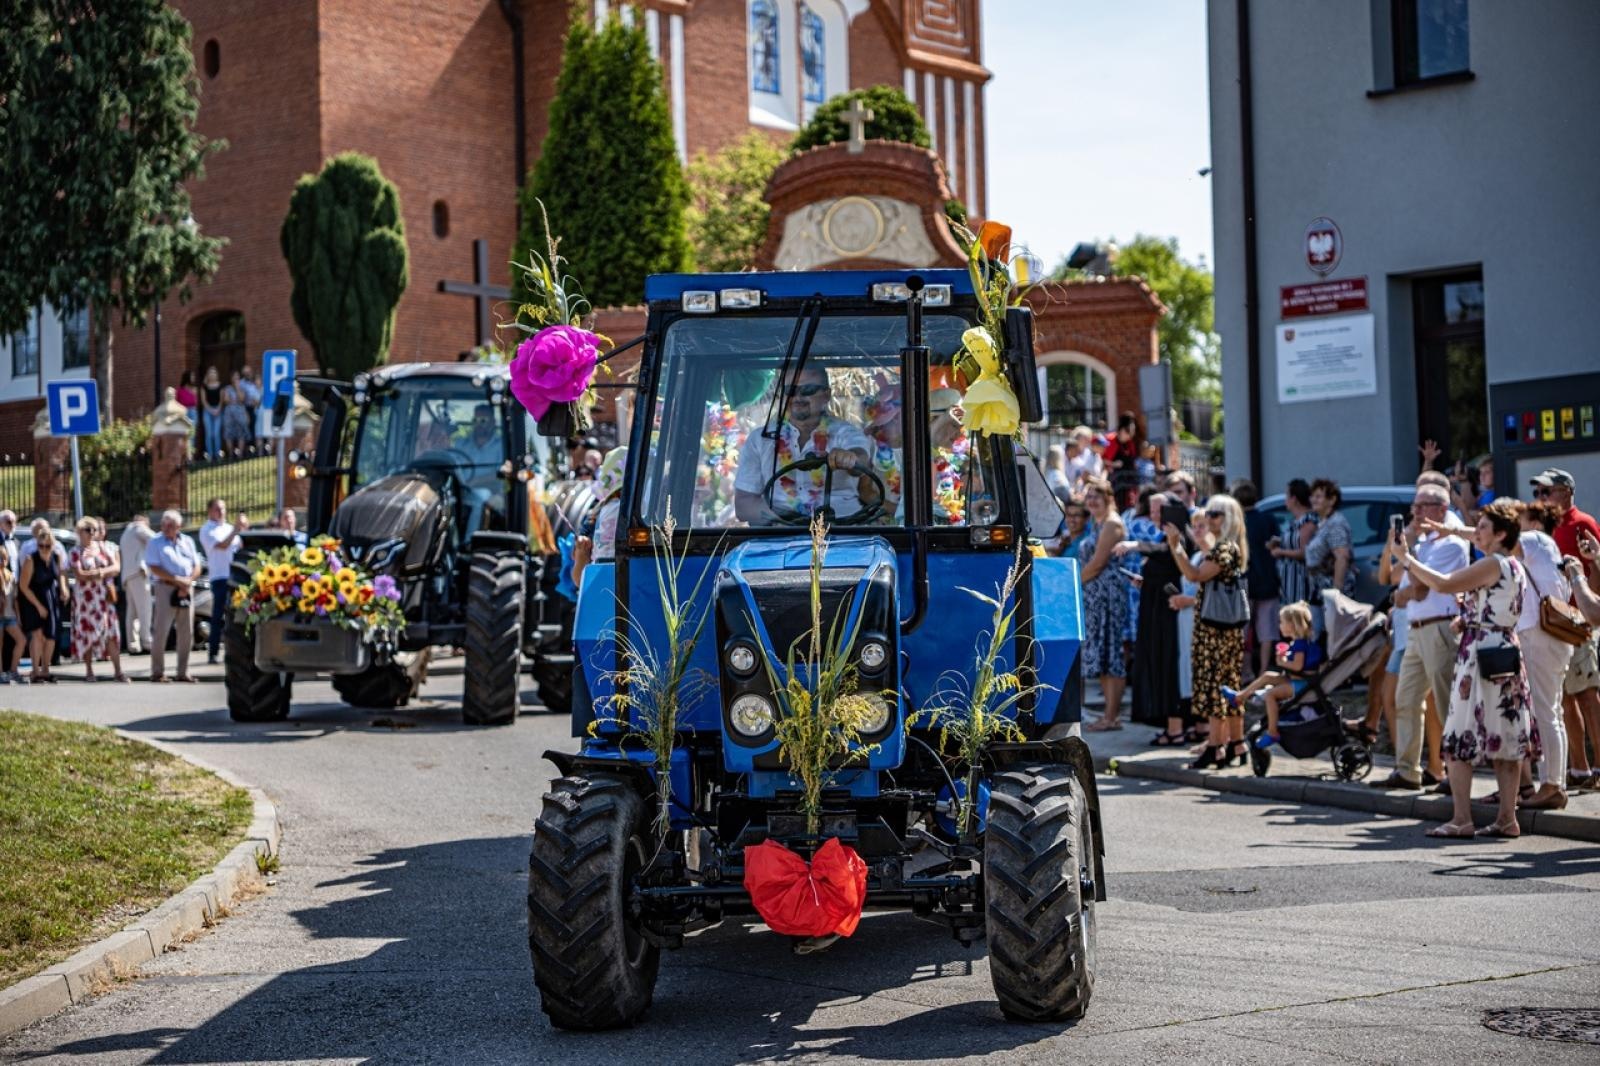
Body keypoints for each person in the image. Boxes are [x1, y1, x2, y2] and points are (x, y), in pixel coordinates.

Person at [1398, 500, 1536, 839]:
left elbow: (1444, 584)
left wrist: (1407, 560)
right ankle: (1507, 818)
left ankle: (1461, 819)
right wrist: (1469, 619)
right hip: (1504, 650)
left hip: (1480, 654)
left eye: (1484, 528)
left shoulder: (1491, 563)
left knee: (1460, 735)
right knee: (1504, 735)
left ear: (1501, 534)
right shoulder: (1512, 564)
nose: (1477, 532)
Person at [1372, 483, 1471, 791]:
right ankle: (1407, 771)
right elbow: (1395, 579)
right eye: (1414, 506)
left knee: (1446, 705)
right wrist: (1404, 550)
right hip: (1417, 630)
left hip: (1439, 628)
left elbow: (1420, 587)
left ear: (1441, 510)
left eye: (1421, 506)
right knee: (1406, 700)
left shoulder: (1452, 545)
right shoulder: (1426, 542)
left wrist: (1408, 572)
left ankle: (1454, 774)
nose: (1414, 512)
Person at [1167, 494, 1250, 769]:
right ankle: (1237, 743)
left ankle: (1216, 746)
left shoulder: (1224, 549)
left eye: (1215, 514)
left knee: (1217, 686)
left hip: (1216, 629)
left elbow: (1195, 575)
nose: (1209, 518)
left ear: (1228, 519)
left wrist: (1176, 547)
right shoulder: (1229, 547)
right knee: (1229, 685)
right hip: (1224, 628)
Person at [734, 365, 874, 526]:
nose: (798, 397)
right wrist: (787, 519)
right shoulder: (760, 439)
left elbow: (860, 460)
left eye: (808, 389)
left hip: (841, 534)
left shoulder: (846, 432)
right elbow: (743, 506)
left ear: (826, 395)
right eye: (790, 391)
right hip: (777, 538)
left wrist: (849, 459)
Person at [1532, 469, 1600, 790]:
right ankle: (1580, 768)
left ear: (1566, 492)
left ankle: (1599, 768)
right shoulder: (1546, 527)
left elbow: (1597, 569)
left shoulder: (1582, 523)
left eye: (1547, 491)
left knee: (1587, 696)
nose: (1541, 498)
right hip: (1553, 622)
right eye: (1540, 492)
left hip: (1577, 621)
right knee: (1564, 701)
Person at [1513, 502, 1573, 810]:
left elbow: (1498, 542)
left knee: (1545, 713)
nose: (1514, 525)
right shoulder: (1546, 548)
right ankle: (1552, 783)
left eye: (1518, 520)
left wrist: (1453, 529)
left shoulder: (1535, 540)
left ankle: (1552, 785)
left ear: (1534, 522)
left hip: (1540, 637)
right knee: (1552, 713)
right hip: (1552, 638)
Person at [1116, 492, 1188, 736]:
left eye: (1160, 510)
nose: (1155, 515)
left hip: (1170, 613)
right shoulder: (1163, 535)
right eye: (1152, 510)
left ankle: (1177, 728)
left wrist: (1135, 545)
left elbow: (1165, 552)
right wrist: (1145, 582)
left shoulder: (1179, 537)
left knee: (1168, 664)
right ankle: (1170, 725)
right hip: (1155, 606)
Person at [1225, 601, 1322, 746]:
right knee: (1268, 676)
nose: (1279, 626)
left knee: (1271, 695)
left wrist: (1282, 662)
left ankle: (1272, 732)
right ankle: (1240, 697)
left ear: (1293, 625)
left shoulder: (1300, 644)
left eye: (1282, 622)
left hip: (1301, 684)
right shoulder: (1298, 643)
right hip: (1298, 680)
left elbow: (1297, 666)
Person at [1078, 476, 1129, 731]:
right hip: (1095, 597)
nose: (1092, 501)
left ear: (1109, 498)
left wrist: (1073, 584)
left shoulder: (1111, 524)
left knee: (1112, 654)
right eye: (1089, 497)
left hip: (1108, 595)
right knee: (1102, 655)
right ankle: (1109, 716)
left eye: (1097, 496)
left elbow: (1098, 563)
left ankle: (1112, 716)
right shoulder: (1096, 524)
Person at [69, 516, 128, 682]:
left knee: (111, 632)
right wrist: (102, 573)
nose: (92, 533)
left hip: (103, 597)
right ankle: (89, 671)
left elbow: (116, 567)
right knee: (87, 632)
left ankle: (118, 671)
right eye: (88, 530)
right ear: (80, 532)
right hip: (85, 600)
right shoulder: (75, 552)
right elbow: (80, 575)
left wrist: (98, 573)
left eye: (94, 530)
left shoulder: (102, 547)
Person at [146, 509, 202, 683]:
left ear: (178, 526)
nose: (166, 527)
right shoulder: (155, 542)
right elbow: (154, 567)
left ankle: (183, 672)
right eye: (163, 524)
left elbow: (197, 565)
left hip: (186, 589)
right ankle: (157, 671)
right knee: (161, 631)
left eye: (170, 525)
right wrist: (177, 580)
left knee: (187, 633)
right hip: (166, 588)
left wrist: (188, 581)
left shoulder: (187, 541)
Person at [1235, 480, 1282, 680]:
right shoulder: (1268, 519)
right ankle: (1264, 669)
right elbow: (1276, 543)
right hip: (1268, 580)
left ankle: (1246, 671)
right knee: (1267, 630)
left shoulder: (1237, 523)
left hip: (1244, 581)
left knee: (1244, 630)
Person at [199, 498, 248, 664]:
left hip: (235, 577)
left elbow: (241, 547)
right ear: (210, 511)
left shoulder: (228, 528)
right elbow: (222, 545)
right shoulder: (207, 529)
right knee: (218, 615)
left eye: (223, 509)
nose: (221, 512)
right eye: (217, 509)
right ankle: (213, 652)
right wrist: (236, 529)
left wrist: (243, 530)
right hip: (219, 577)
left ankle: (236, 652)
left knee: (238, 616)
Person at [18, 520, 67, 683]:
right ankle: (36, 671)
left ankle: (46, 669)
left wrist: (64, 588)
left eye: (47, 546)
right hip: (33, 599)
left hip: (50, 597)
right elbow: (23, 586)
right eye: (41, 546)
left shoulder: (57, 557)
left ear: (52, 545)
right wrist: (38, 606)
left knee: (51, 636)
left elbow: (60, 575)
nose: (44, 549)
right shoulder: (30, 560)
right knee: (37, 635)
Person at [572, 446, 628, 588]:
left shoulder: (596, 514)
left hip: (600, 589)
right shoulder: (647, 512)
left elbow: (579, 581)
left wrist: (581, 552)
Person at [1303, 478, 1356, 620]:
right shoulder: (1324, 522)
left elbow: (1342, 556)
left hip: (1331, 593)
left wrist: (1336, 592)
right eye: (1312, 496)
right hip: (1320, 591)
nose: (1313, 500)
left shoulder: (1335, 524)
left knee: (1331, 635)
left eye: (1318, 496)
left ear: (1332, 500)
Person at [1269, 479, 1318, 613]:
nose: (1285, 500)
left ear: (1294, 499)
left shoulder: (1307, 521)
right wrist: (1280, 542)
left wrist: (1281, 552)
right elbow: (1295, 542)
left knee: (1299, 619)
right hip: (1290, 582)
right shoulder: (1296, 521)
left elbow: (1304, 552)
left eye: (1287, 496)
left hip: (1300, 582)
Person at [119, 514, 155, 655]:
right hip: (139, 572)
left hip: (128, 575)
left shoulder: (126, 532)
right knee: (145, 609)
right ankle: (147, 643)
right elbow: (156, 539)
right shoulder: (138, 527)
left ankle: (133, 644)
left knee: (132, 613)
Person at [0, 542, 26, 682]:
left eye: (4, 558)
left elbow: (15, 599)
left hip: (9, 615)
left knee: (21, 640)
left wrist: (19, 617)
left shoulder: (10, 576)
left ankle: (13, 670)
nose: (2, 561)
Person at [1064, 426, 1103, 492]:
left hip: (1087, 489)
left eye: (1088, 439)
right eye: (1084, 439)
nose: (1087, 442)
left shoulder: (1089, 454)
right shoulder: (1066, 453)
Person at [234, 367, 263, 446]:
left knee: (256, 429)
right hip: (246, 408)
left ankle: (256, 448)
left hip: (257, 408)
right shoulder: (241, 383)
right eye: (245, 373)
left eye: (249, 372)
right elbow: (241, 398)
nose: (248, 374)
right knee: (247, 429)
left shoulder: (255, 382)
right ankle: (248, 448)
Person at [200, 365, 224, 458]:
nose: (212, 374)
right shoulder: (204, 386)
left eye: (214, 372)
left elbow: (221, 400)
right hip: (207, 411)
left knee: (216, 433)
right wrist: (210, 410)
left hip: (218, 410)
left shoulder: (220, 385)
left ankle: (217, 454)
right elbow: (203, 401)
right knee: (209, 433)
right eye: (211, 372)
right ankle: (210, 455)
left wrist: (218, 409)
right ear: (208, 375)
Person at [220, 385, 252, 452]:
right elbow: (226, 400)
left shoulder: (242, 388)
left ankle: (240, 455)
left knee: (241, 433)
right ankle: (231, 454)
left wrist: (237, 389)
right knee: (229, 433)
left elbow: (241, 399)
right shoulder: (227, 388)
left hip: (240, 413)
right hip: (229, 413)